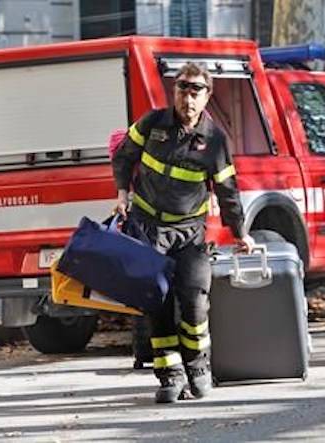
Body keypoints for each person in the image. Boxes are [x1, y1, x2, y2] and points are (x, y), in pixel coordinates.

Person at [112, 62, 255, 403]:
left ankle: (197, 366)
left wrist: (240, 233)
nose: (187, 97)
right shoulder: (152, 124)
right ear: (174, 91)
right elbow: (124, 156)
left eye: (195, 90)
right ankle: (170, 375)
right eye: (182, 88)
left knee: (193, 303)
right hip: (147, 228)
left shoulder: (215, 140)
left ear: (207, 96)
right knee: (156, 303)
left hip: (190, 233)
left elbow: (228, 191)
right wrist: (122, 193)